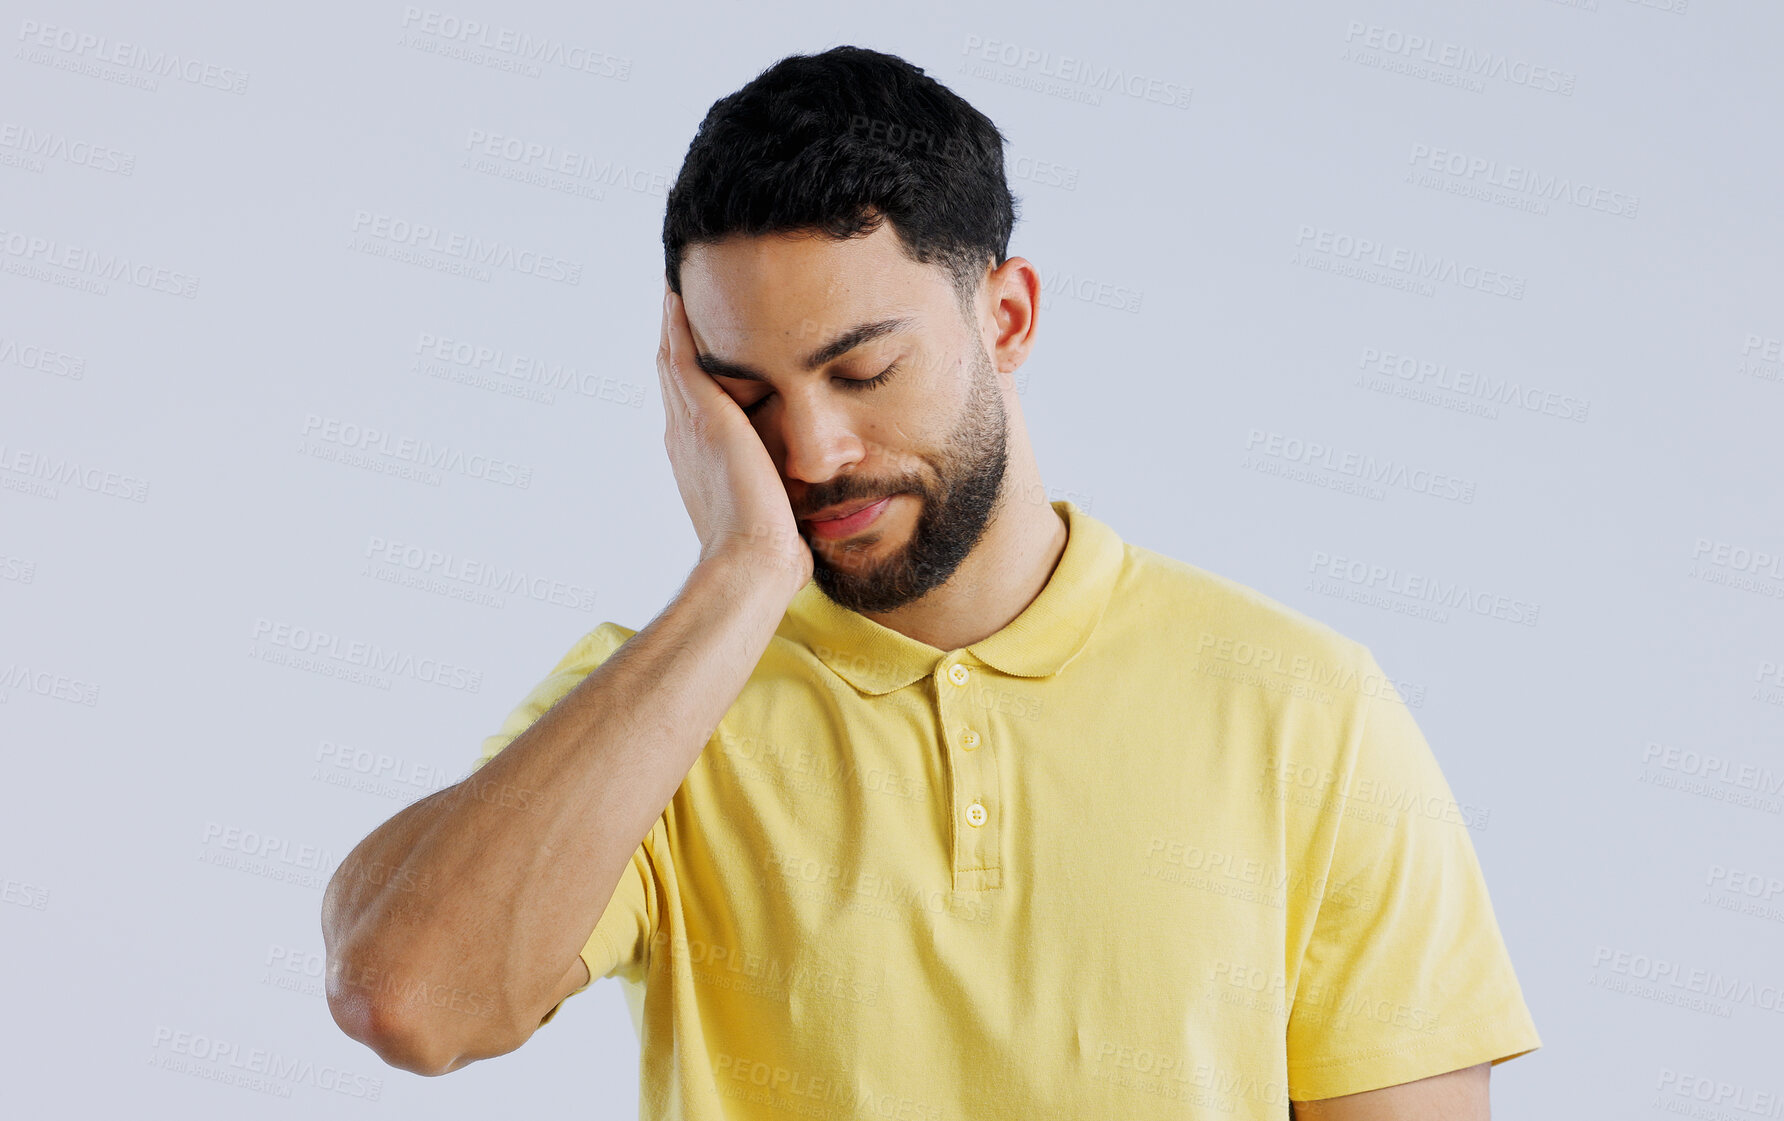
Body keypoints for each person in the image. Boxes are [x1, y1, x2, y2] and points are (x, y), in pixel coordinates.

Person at [321, 44, 1540, 1120]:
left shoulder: (1302, 703)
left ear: (1004, 317)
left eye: (861, 371)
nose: (808, 453)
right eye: (745, 397)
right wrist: (741, 573)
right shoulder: (657, 701)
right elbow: (405, 997)